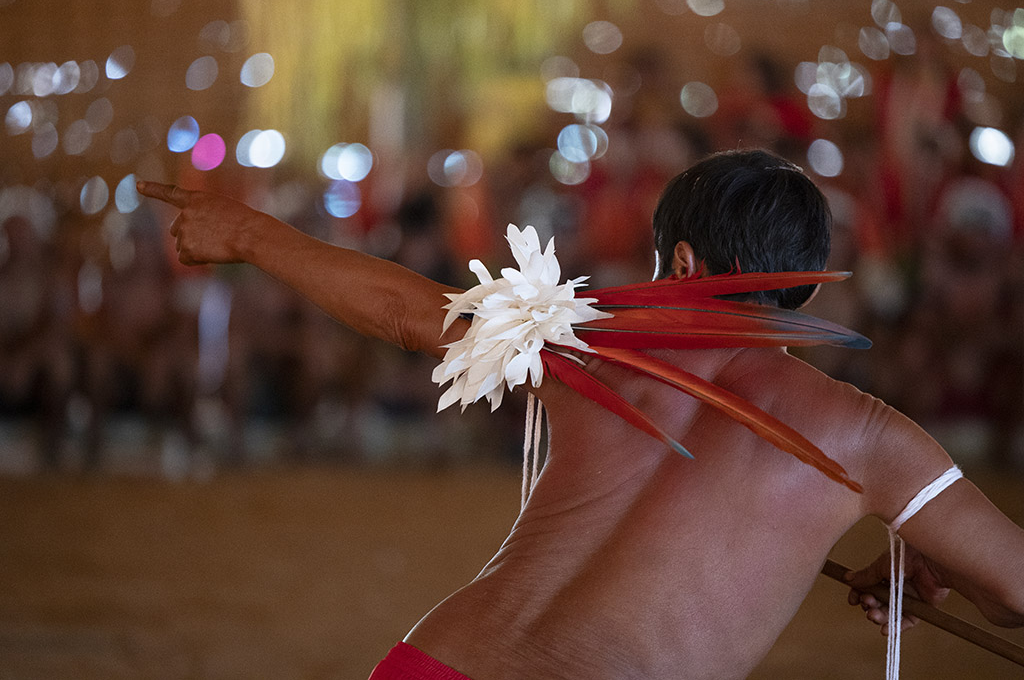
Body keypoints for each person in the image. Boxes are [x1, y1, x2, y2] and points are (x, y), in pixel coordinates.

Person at [137, 149, 1024, 680]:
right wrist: (926, 555)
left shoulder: (583, 347)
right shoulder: (868, 436)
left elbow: (411, 313)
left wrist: (249, 235)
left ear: (678, 261)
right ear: (800, 284)